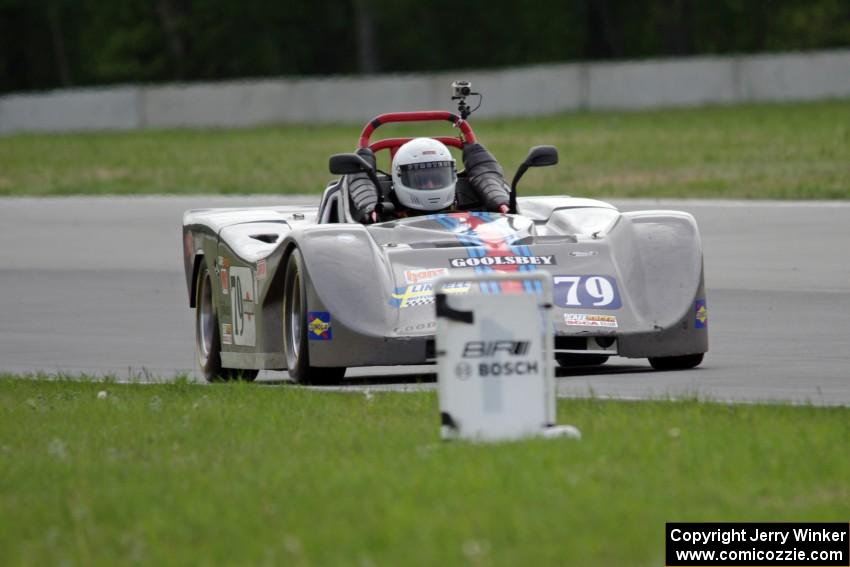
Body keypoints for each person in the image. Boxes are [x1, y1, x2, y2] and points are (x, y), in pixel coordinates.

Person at [347, 137, 511, 223]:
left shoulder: (477, 209)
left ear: (452, 174)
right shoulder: (378, 219)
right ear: (398, 177)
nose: (431, 185)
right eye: (422, 180)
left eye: (437, 178)